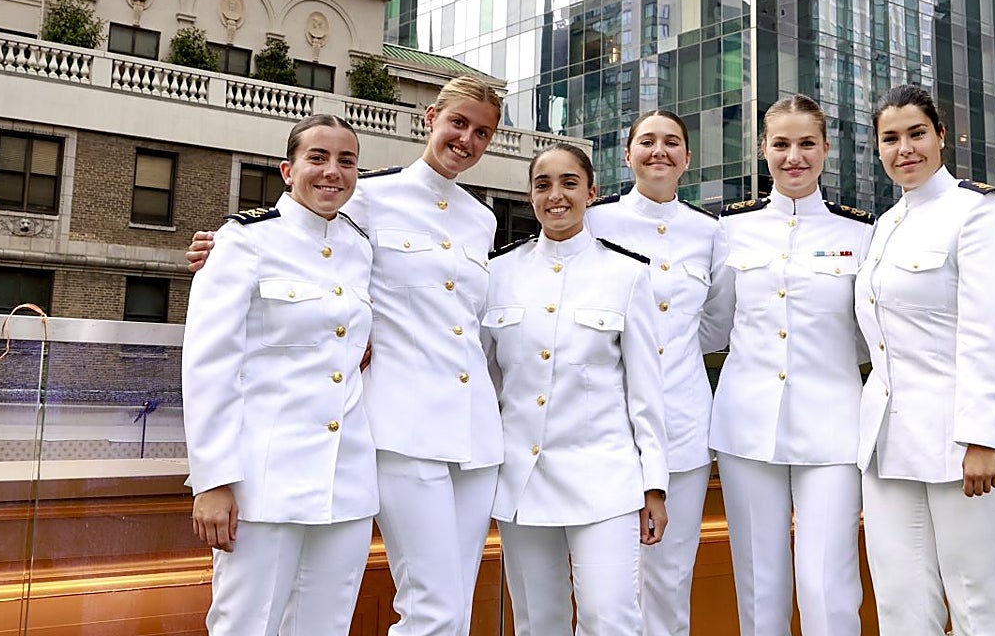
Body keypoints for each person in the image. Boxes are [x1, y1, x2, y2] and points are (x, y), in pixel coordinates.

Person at [187, 75, 506, 636]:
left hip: (406, 449)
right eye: (458, 122)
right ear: (430, 118)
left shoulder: (480, 221)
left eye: (483, 131)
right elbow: (213, 358)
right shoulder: (366, 202)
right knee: (251, 619)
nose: (468, 139)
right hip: (382, 433)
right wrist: (217, 248)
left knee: (341, 618)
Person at [856, 84, 995, 636]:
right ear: (878, 149)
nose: (905, 149)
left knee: (980, 607)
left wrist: (983, 437)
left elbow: (986, 331)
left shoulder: (978, 212)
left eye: (917, 134)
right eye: (890, 138)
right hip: (892, 447)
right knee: (901, 607)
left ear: (941, 137)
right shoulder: (884, 227)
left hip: (968, 443)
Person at [182, 114, 377, 636]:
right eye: (318, 157)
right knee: (245, 624)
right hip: (262, 481)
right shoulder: (242, 241)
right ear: (288, 170)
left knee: (327, 625)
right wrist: (213, 481)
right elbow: (209, 364)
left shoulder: (360, 248)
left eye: (346, 160)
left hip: (347, 481)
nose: (332, 171)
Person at [700, 94, 872, 636]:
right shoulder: (731, 229)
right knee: (759, 579)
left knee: (828, 581)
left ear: (825, 150)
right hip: (748, 423)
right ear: (762, 151)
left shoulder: (860, 233)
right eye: (780, 144)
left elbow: (871, 336)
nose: (793, 157)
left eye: (805, 144)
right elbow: (715, 323)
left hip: (834, 426)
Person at [483, 143, 668, 636]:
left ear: (591, 192)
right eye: (543, 185)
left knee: (611, 618)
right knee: (537, 622)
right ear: (530, 196)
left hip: (605, 479)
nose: (556, 195)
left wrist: (654, 484)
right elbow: (486, 380)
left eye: (568, 183)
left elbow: (645, 392)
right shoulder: (498, 273)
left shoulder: (626, 274)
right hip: (523, 478)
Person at [583, 110, 715, 636]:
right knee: (607, 585)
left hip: (682, 424)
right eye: (647, 141)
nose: (659, 151)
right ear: (628, 153)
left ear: (686, 158)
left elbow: (716, 322)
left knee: (670, 579)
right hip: (608, 427)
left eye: (672, 143)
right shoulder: (596, 223)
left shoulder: (709, 232)